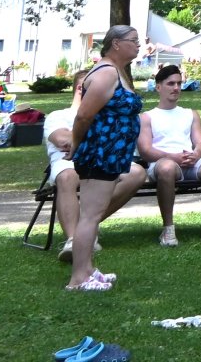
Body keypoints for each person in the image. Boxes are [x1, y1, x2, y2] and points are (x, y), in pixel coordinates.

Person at [65, 24, 144, 292]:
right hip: (100, 152)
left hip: (110, 152)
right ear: (116, 44)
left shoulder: (115, 71)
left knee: (93, 214)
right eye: (133, 40)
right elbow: (84, 115)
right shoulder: (106, 73)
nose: (138, 45)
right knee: (90, 215)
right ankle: (78, 278)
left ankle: (88, 269)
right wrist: (76, 143)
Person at [48, 70, 146, 265]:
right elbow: (61, 139)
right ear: (80, 88)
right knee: (68, 176)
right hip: (68, 163)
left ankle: (86, 228)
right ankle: (73, 240)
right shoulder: (59, 115)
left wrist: (78, 136)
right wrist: (99, 136)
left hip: (103, 161)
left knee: (137, 172)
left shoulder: (104, 115)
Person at [138, 64, 201, 246]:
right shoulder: (147, 117)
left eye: (179, 83)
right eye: (170, 83)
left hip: (191, 163)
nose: (176, 88)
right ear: (158, 87)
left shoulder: (190, 114)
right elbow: (146, 150)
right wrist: (173, 157)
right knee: (166, 168)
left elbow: (200, 143)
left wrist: (196, 154)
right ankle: (168, 229)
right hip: (163, 164)